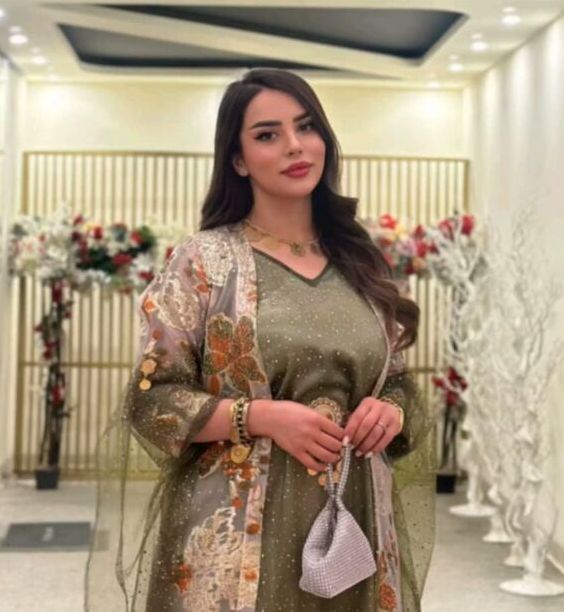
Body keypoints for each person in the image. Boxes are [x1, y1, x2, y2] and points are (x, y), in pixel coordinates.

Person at [85, 68, 435, 612]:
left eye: (306, 126)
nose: (295, 145)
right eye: (268, 134)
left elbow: (396, 383)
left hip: (356, 518)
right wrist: (261, 417)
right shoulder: (205, 262)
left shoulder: (359, 261)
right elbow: (152, 400)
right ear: (239, 160)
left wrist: (390, 411)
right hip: (236, 531)